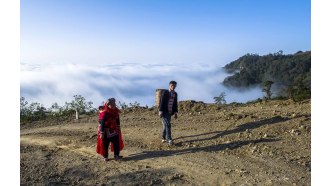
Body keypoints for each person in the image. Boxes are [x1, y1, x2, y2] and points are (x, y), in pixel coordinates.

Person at [159, 80, 178, 145]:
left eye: (174, 86)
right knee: (168, 125)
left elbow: (175, 103)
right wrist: (160, 111)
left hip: (170, 112)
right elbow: (161, 102)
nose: (173, 87)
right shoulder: (165, 92)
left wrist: (175, 112)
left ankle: (163, 137)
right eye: (172, 85)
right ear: (169, 86)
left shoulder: (175, 94)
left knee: (165, 125)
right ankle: (169, 139)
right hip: (164, 112)